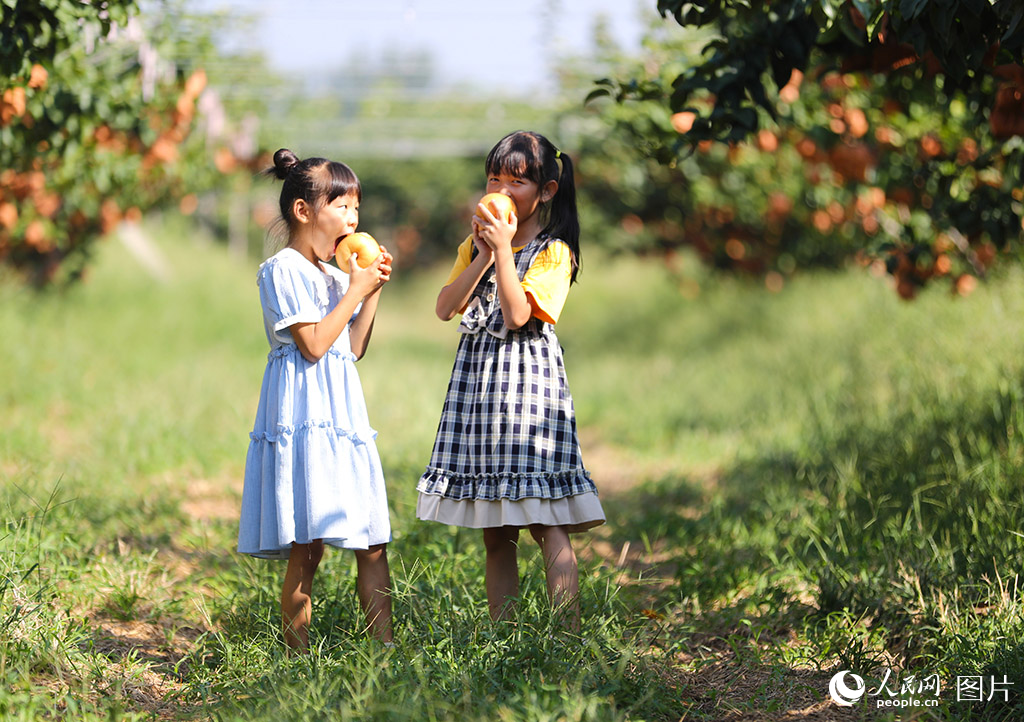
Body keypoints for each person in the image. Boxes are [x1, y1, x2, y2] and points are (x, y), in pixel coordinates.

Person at [416, 131, 605, 625]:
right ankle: (506, 634)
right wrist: (482, 252)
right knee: (495, 531)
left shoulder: (554, 252)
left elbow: (519, 315)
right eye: (494, 178)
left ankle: (566, 634)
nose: (501, 188)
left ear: (546, 191)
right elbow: (444, 307)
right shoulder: (474, 246)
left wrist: (502, 252)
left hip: (528, 395)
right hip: (480, 394)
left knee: (545, 517)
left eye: (517, 180)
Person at [237, 148, 394, 649]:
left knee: (373, 542)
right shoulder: (282, 270)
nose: (352, 218)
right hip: (306, 417)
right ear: (304, 211)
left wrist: (369, 291)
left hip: (341, 417)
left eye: (356, 208)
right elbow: (312, 344)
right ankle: (298, 654)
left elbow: (353, 348)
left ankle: (384, 649)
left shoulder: (335, 276)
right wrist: (354, 291)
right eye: (342, 206)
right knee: (309, 545)